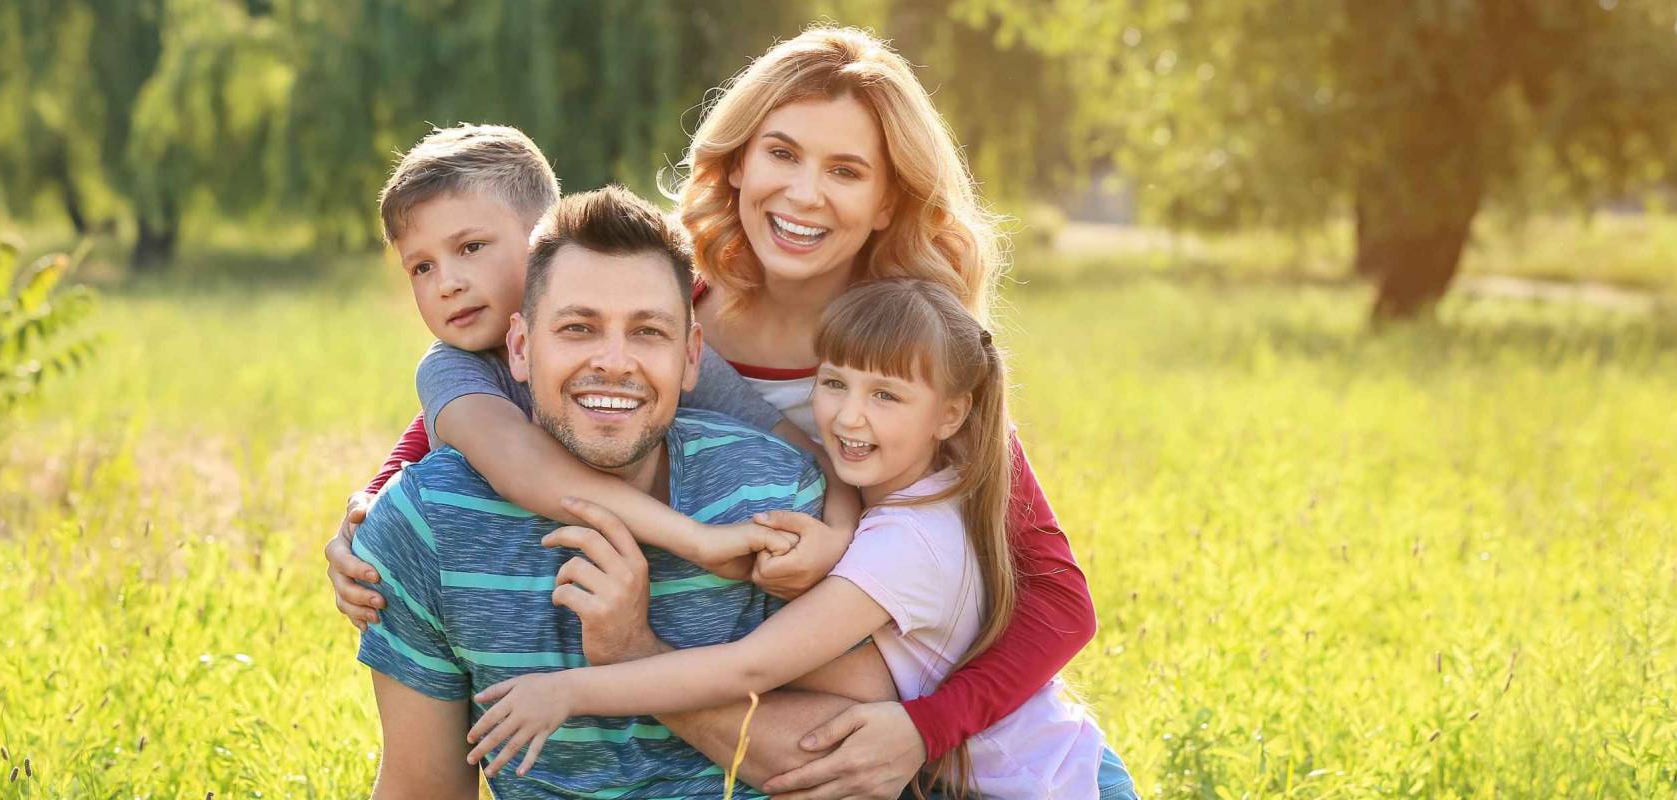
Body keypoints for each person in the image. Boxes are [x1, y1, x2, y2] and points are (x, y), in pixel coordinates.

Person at [335, 26, 1122, 798]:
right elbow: (501, 395)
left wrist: (927, 727)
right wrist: (377, 507)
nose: (803, 193)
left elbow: (1060, 600)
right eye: (782, 153)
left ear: (888, 201)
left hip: (997, 751)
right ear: (739, 162)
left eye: (846, 170)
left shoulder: (904, 360)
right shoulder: (665, 299)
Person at [464, 279, 1136, 799]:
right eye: (834, 382)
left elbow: (751, 667)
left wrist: (570, 690)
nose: (847, 416)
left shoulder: (911, 544)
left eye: (886, 396)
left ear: (952, 414)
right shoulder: (925, 488)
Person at [351, 186, 896, 798]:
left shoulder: (775, 500)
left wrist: (635, 651)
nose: (614, 362)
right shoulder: (427, 525)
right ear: (522, 348)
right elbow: (422, 788)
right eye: (579, 328)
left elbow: (858, 764)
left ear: (691, 358)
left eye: (647, 332)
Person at [323, 123, 861, 639]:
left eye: (470, 248)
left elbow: (799, 446)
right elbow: (522, 466)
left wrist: (837, 536)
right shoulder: (450, 368)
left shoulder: (641, 349)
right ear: (519, 347)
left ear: (542, 241)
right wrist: (700, 542)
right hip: (505, 607)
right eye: (421, 267)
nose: (448, 284)